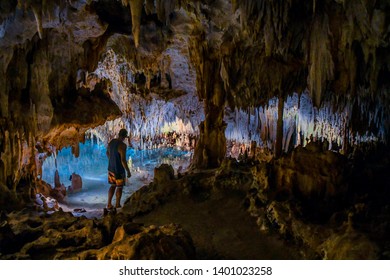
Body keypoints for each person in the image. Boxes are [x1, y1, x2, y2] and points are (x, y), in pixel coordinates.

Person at [106, 128, 131, 209]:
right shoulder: (122, 145)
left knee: (112, 185)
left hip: (111, 168)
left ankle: (109, 204)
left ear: (119, 134)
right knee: (119, 186)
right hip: (119, 170)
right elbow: (123, 160)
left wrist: (111, 160)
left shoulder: (112, 142)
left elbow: (107, 153)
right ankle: (117, 204)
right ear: (124, 137)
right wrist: (128, 171)